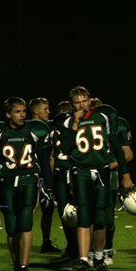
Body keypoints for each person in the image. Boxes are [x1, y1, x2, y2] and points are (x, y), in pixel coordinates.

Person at [59, 86, 133, 271]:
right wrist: (75, 124)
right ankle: (84, 259)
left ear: (90, 100)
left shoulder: (104, 117)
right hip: (80, 171)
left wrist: (125, 175)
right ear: (71, 105)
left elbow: (116, 146)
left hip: (101, 170)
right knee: (84, 216)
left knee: (100, 218)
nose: (81, 104)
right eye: (77, 101)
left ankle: (99, 256)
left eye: (84, 100)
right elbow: (66, 149)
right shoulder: (68, 122)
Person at [0, 97, 52, 271]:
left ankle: (23, 267)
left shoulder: (35, 130)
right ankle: (16, 265)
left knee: (26, 223)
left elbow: (44, 161)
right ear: (8, 114)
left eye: (23, 111)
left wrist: (48, 187)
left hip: (29, 180)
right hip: (7, 183)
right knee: (11, 228)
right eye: (17, 111)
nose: (22, 115)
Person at [28, 97, 61, 254]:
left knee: (48, 209)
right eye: (45, 109)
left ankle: (46, 242)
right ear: (35, 111)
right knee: (29, 209)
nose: (49, 111)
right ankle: (23, 243)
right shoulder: (26, 128)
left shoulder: (49, 127)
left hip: (46, 173)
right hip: (30, 174)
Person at [50, 101, 78, 258]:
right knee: (67, 212)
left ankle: (77, 246)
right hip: (64, 172)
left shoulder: (59, 130)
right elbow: (52, 156)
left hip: (68, 171)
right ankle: (75, 246)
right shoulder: (58, 131)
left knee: (70, 212)